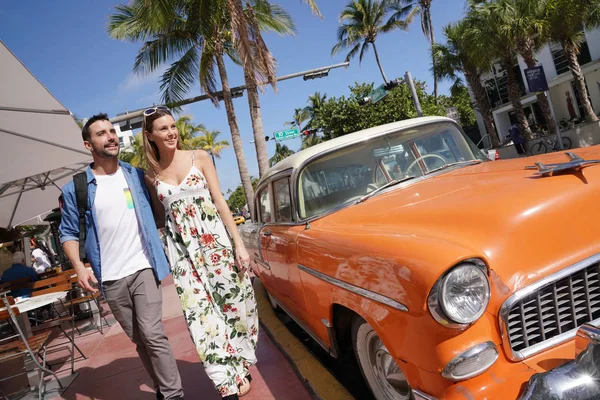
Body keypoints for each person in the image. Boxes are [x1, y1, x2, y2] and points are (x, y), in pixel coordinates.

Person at [59, 113, 184, 400]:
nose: (111, 136)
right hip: (111, 278)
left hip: (143, 267)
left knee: (153, 334)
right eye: (102, 133)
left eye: (112, 131)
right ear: (89, 145)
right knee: (139, 339)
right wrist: (79, 267)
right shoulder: (76, 188)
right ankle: (163, 389)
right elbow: (67, 233)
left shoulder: (136, 175)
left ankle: (173, 394)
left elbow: (161, 211)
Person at [142, 106, 258, 400]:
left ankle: (240, 364)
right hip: (184, 256)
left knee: (234, 308)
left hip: (215, 245)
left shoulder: (200, 157)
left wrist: (239, 245)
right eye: (163, 129)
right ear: (150, 136)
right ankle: (225, 381)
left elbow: (220, 202)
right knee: (201, 317)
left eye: (172, 126)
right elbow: (160, 220)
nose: (171, 132)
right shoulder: (151, 176)